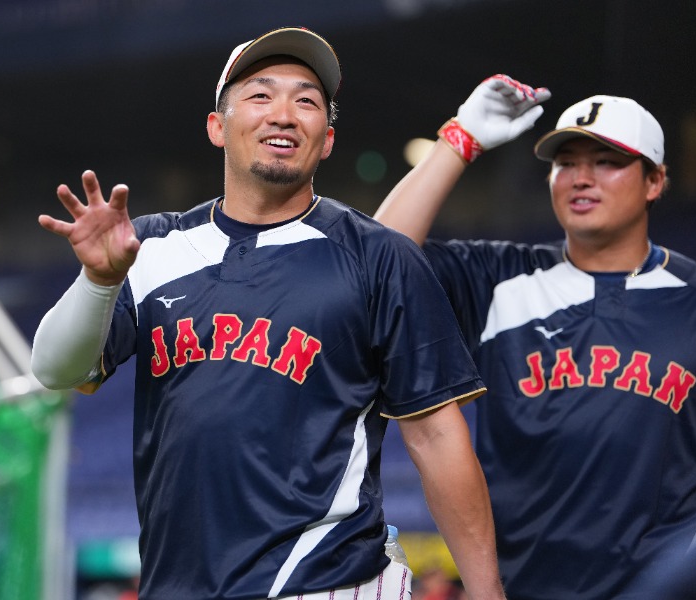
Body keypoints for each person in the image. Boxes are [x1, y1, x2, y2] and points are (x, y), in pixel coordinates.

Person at [31, 27, 506, 600]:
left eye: (306, 101)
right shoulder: (150, 248)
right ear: (217, 127)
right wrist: (99, 279)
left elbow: (436, 437)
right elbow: (55, 370)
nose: (284, 114)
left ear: (326, 139)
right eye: (260, 96)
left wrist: (487, 593)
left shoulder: (380, 257)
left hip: (330, 583)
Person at [374, 76, 696, 599]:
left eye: (608, 162)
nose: (581, 177)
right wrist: (460, 139)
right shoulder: (500, 277)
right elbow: (376, 263)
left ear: (654, 181)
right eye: (566, 162)